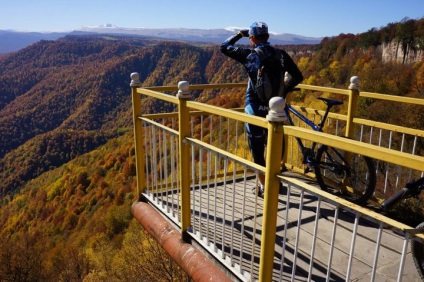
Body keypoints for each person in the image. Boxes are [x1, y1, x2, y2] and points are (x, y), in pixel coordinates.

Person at [220, 21, 303, 197]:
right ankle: (275, 182)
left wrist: (239, 35)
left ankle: (265, 188)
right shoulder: (280, 55)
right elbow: (297, 76)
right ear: (267, 36)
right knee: (276, 146)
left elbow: (224, 46)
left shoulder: (250, 54)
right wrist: (283, 91)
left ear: (252, 38)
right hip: (277, 109)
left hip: (255, 107)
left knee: (257, 150)